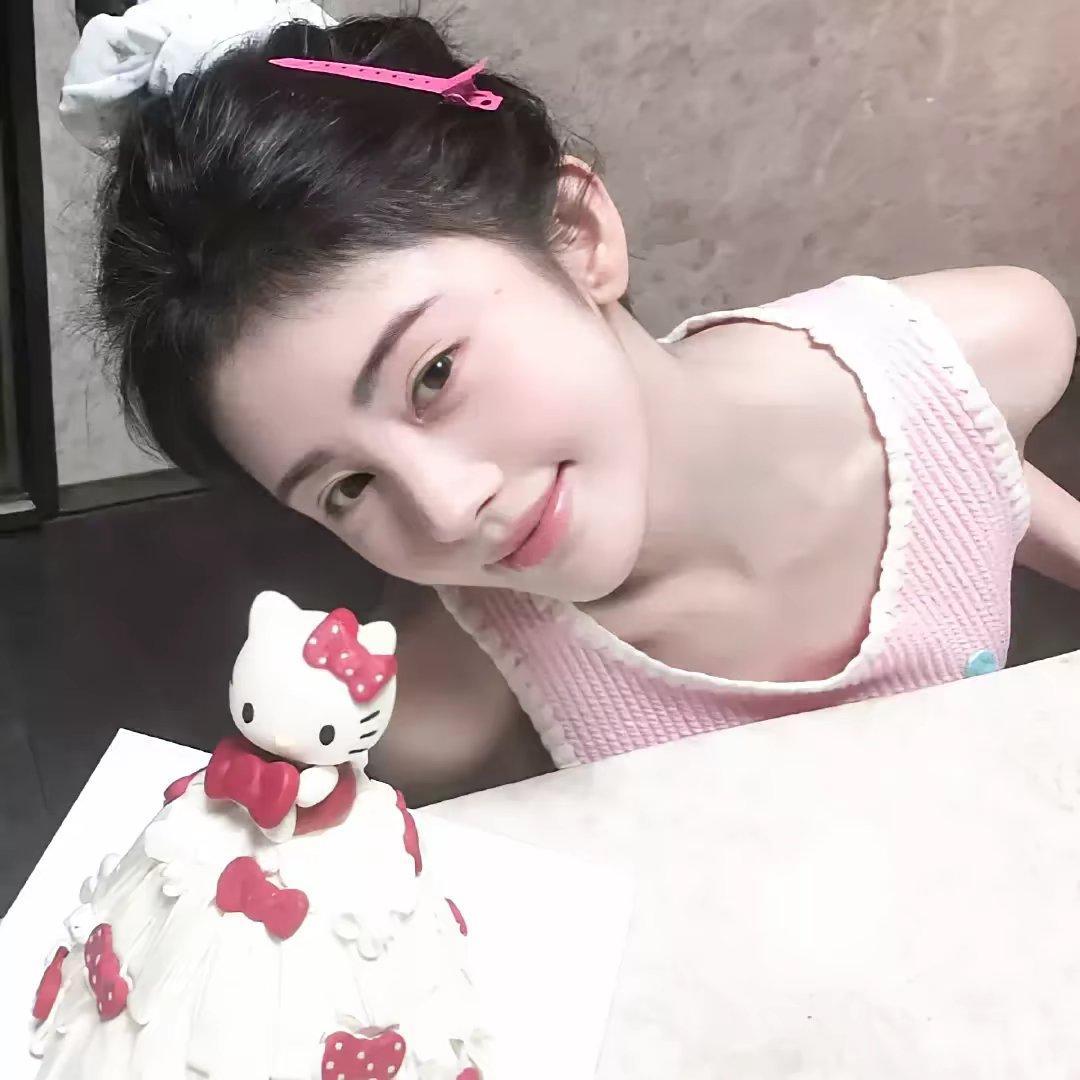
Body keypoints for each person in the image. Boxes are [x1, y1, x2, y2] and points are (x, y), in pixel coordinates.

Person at [60, 3, 1079, 804]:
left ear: (575, 235)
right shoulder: (453, 708)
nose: (448, 511)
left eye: (433, 375)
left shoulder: (992, 347)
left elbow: (964, 460)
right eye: (347, 487)